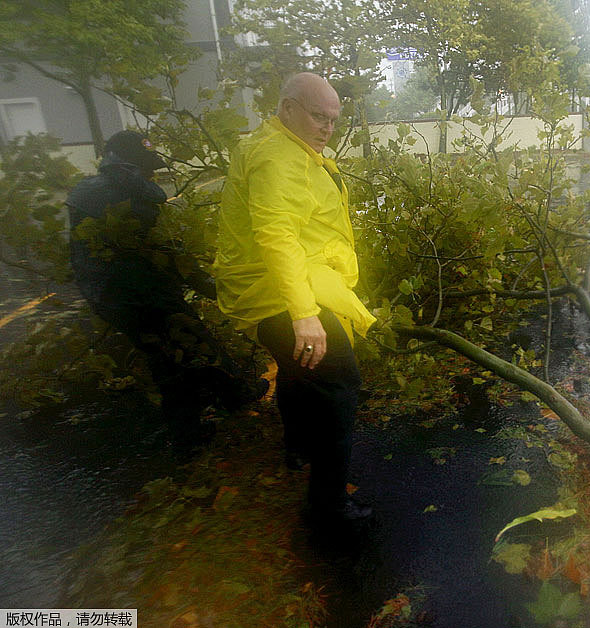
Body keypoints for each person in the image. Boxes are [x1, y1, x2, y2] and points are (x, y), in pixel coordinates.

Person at [214, 73, 376, 530]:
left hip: (282, 284)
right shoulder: (277, 159)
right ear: (287, 109)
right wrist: (304, 315)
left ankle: (298, 447)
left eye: (333, 119)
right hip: (280, 292)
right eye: (317, 116)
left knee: (297, 369)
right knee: (340, 384)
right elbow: (277, 235)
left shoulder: (286, 148)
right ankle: (328, 509)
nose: (327, 127)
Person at [67, 130, 267, 450]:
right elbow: (169, 254)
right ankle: (188, 439)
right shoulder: (136, 192)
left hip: (105, 295)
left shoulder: (82, 192)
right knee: (175, 356)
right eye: (146, 165)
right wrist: (216, 290)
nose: (152, 172)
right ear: (131, 163)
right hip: (141, 291)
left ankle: (233, 396)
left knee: (187, 343)